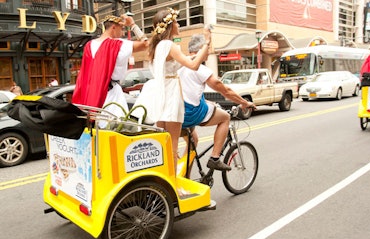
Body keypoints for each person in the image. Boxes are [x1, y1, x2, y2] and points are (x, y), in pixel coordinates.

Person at [178, 34, 256, 171]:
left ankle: (184, 175)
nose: (209, 51)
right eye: (208, 48)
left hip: (177, 114)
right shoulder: (200, 69)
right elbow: (225, 90)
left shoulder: (180, 67)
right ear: (201, 50)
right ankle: (215, 158)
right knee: (225, 117)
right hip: (190, 114)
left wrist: (209, 102)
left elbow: (190, 93)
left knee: (193, 141)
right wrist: (244, 103)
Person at [146, 8, 210, 171]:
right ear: (169, 26)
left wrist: (193, 55)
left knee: (162, 143)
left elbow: (182, 61)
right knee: (173, 145)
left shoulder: (157, 46)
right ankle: (174, 186)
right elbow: (194, 66)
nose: (178, 24)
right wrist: (206, 44)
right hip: (171, 95)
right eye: (175, 21)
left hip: (160, 95)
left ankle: (164, 180)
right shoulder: (170, 45)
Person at [72, 14, 148, 120]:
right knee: (116, 129)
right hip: (111, 96)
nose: (122, 33)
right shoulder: (118, 45)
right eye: (121, 29)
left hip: (90, 94)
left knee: (94, 130)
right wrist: (132, 25)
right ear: (113, 27)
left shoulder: (89, 45)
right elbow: (145, 44)